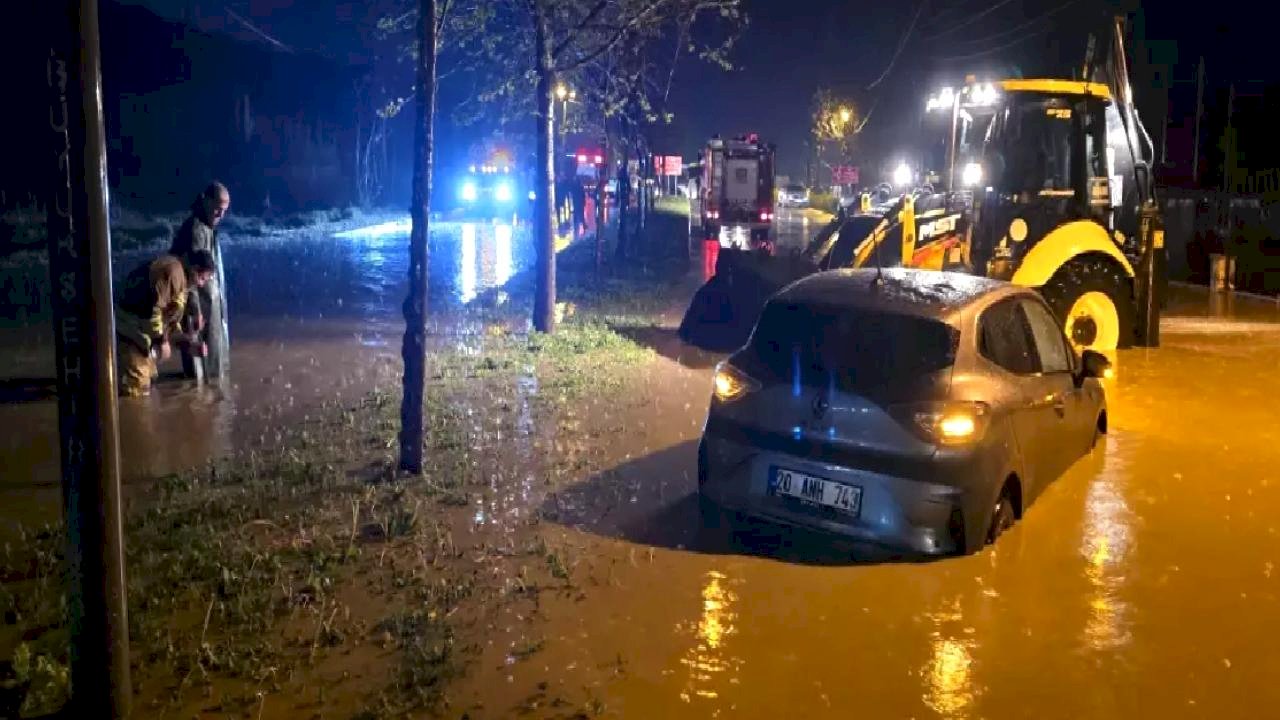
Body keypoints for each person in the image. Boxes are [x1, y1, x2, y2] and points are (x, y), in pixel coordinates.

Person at [116, 251, 216, 397]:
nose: (201, 284)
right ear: (194, 269)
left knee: (150, 379)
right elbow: (152, 310)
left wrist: (188, 343)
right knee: (135, 387)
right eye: (202, 278)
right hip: (131, 328)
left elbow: (170, 323)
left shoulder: (184, 282)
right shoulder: (172, 272)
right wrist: (161, 340)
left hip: (145, 334)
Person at [170, 181, 231, 379]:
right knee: (200, 367)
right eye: (217, 209)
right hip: (199, 307)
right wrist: (195, 309)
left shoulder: (207, 227)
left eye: (224, 211)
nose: (221, 215)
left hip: (210, 304)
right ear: (206, 201)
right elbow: (192, 275)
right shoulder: (196, 229)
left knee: (209, 363)